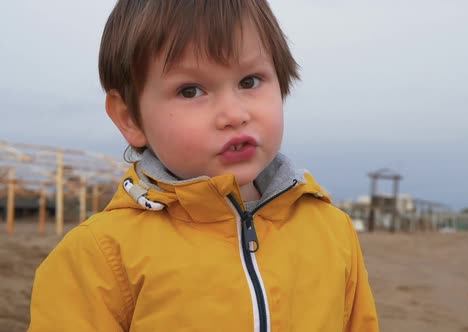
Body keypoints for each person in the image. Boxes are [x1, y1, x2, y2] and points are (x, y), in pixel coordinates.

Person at [28, 1, 379, 331]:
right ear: (129, 117)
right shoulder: (99, 256)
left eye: (249, 81)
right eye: (191, 91)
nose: (234, 115)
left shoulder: (333, 232)